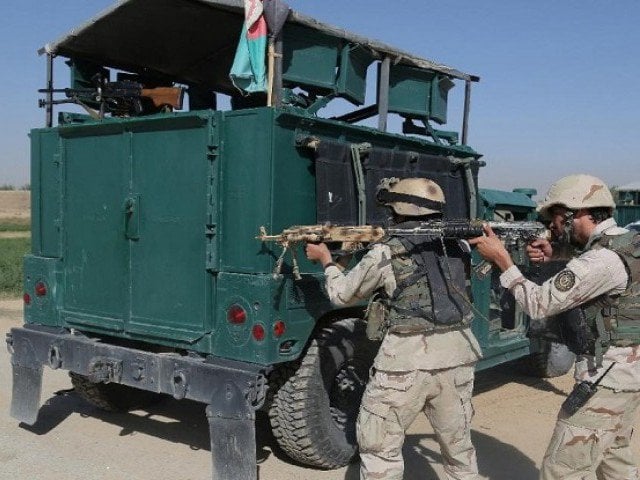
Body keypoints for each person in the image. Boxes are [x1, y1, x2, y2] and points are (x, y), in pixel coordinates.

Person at [305, 177, 483, 480]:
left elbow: (343, 295)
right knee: (459, 450)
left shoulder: (386, 252)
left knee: (379, 451)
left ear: (398, 211)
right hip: (457, 356)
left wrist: (328, 262)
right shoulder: (461, 245)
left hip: (406, 362)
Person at [469, 173, 640, 480]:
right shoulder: (628, 243)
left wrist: (503, 262)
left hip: (605, 380)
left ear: (576, 214)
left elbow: (538, 304)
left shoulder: (600, 261)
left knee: (562, 471)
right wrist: (558, 255)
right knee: (615, 461)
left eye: (557, 220)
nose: (553, 228)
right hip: (628, 376)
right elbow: (603, 274)